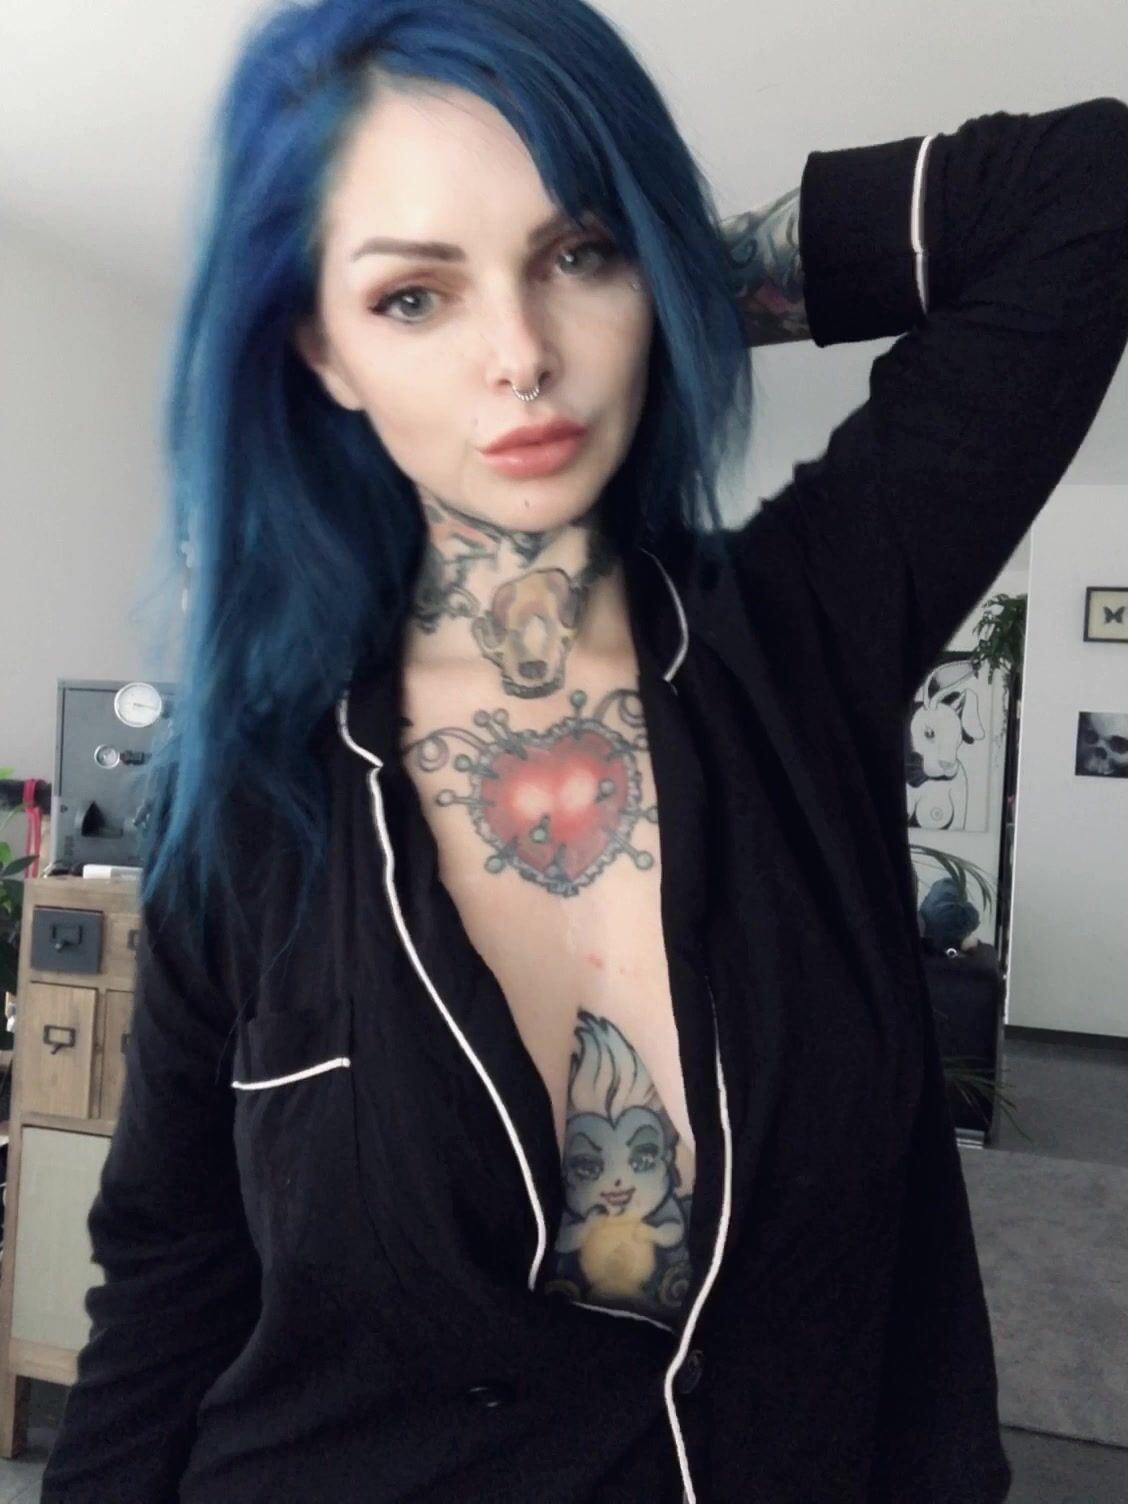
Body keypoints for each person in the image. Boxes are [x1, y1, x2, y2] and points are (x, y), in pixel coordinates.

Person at [39, 0, 1128, 1499]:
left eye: (577, 256)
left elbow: (1089, 190)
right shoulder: (254, 807)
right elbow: (167, 1283)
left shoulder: (805, 636)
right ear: (324, 350)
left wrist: (678, 269)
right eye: (413, 296)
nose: (523, 358)